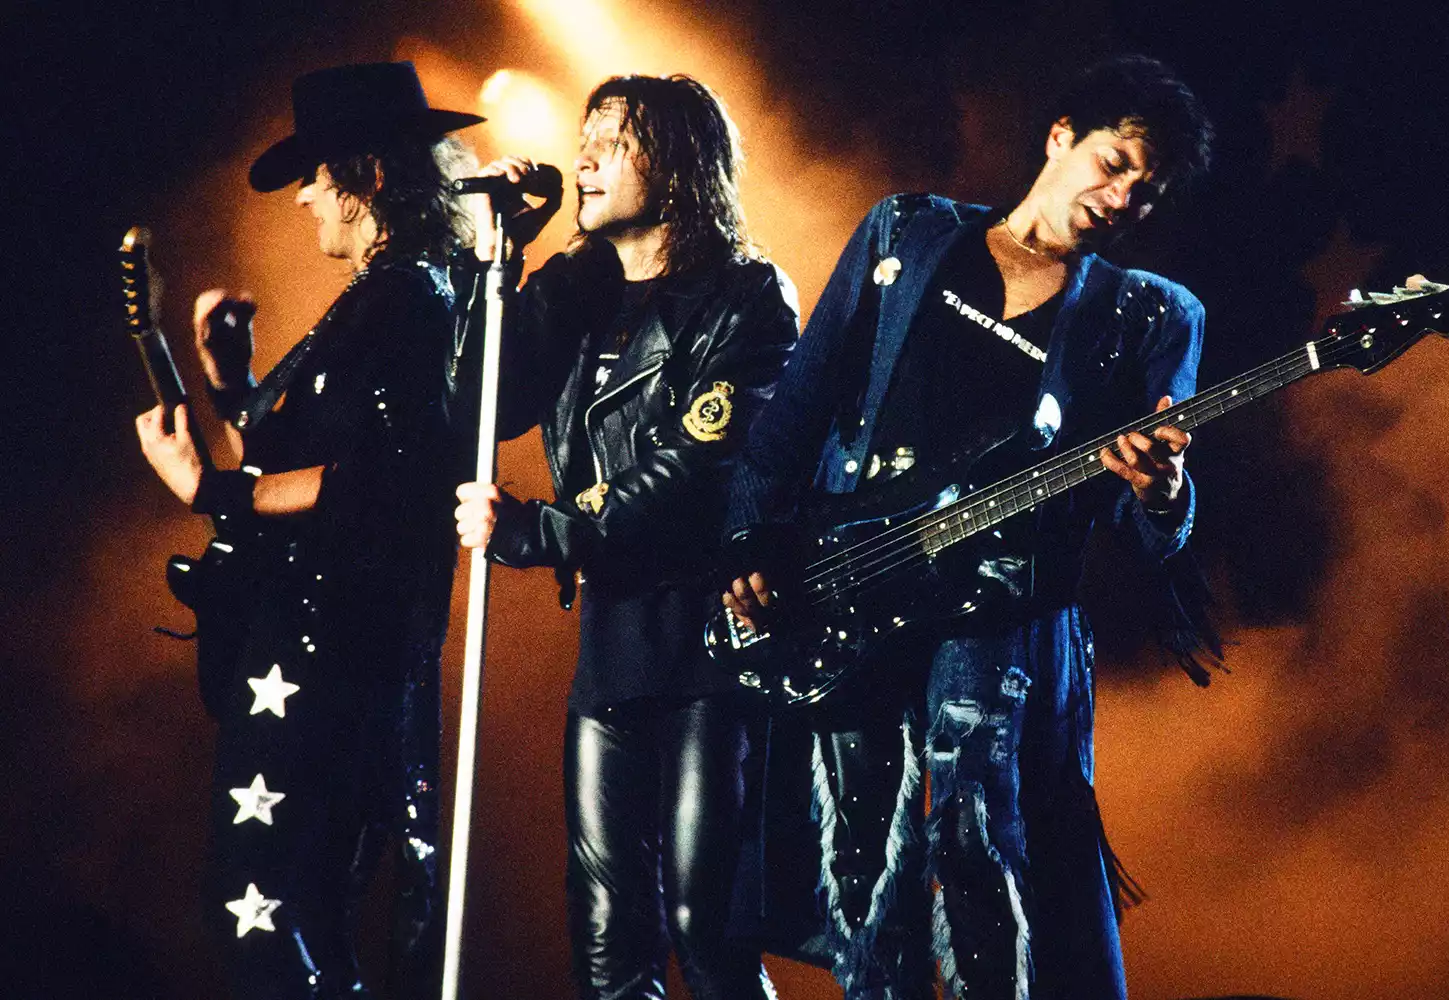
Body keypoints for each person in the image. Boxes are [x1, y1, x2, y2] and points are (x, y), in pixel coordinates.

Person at [721, 55, 1213, 1000]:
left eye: (1145, 196)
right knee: (866, 870)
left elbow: (1156, 532)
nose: (1121, 199)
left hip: (1001, 630)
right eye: (1114, 164)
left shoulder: (1149, 315)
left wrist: (1161, 491)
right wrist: (748, 537)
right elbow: (804, 397)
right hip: (855, 590)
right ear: (1060, 134)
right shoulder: (907, 231)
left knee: (983, 859)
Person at [135, 61, 480, 999]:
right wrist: (233, 385)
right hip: (321, 643)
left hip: (321, 653)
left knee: (254, 913)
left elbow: (367, 483)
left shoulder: (406, 297)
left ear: (365, 174)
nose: (303, 199)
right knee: (307, 912)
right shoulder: (390, 293)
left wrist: (207, 489)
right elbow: (316, 456)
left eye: (316, 174)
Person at [450, 74, 798, 1000]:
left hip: (711, 647)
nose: (586, 156)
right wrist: (506, 264)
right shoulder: (580, 294)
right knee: (610, 938)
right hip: (612, 653)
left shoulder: (746, 298)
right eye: (585, 134)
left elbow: (699, 469)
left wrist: (541, 530)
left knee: (704, 925)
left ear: (680, 163)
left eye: (617, 138)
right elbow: (472, 406)